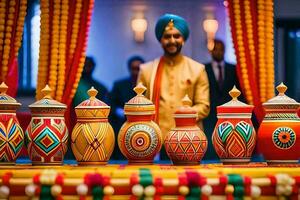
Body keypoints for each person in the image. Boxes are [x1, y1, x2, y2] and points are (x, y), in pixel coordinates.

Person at [138, 13, 210, 160]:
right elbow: (140, 108)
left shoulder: (197, 69)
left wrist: (184, 114)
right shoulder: (147, 70)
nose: (172, 40)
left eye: (176, 36)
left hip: (189, 138)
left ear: (183, 39)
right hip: (157, 141)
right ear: (161, 40)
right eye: (167, 36)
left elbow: (204, 106)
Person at [203, 39, 243, 160]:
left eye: (221, 49)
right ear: (211, 51)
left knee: (228, 144)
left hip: (229, 114)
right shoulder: (204, 69)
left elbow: (240, 91)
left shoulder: (234, 69)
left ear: (224, 51)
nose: (219, 52)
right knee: (210, 147)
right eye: (216, 49)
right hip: (210, 114)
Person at [109, 55, 145, 160]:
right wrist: (119, 111)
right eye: (133, 69)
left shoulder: (148, 84)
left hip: (142, 124)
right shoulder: (119, 84)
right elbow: (111, 103)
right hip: (122, 125)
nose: (135, 72)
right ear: (129, 69)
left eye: (138, 69)